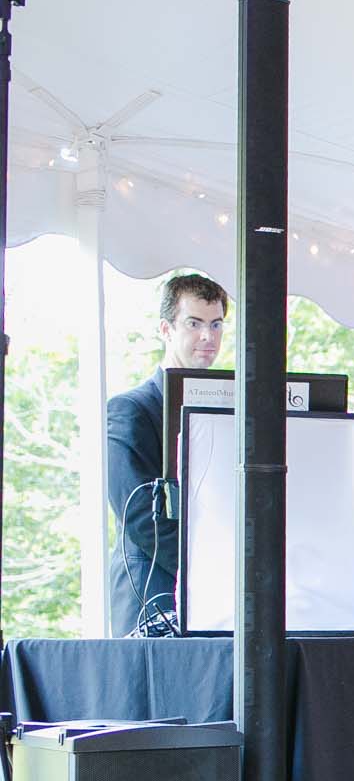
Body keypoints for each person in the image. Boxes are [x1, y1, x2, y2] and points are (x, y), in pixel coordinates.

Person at [105, 272, 228, 636]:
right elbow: (140, 515)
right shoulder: (131, 409)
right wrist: (213, 573)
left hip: (217, 600)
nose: (207, 336)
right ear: (166, 329)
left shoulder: (230, 411)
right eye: (194, 323)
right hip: (152, 592)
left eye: (216, 324)